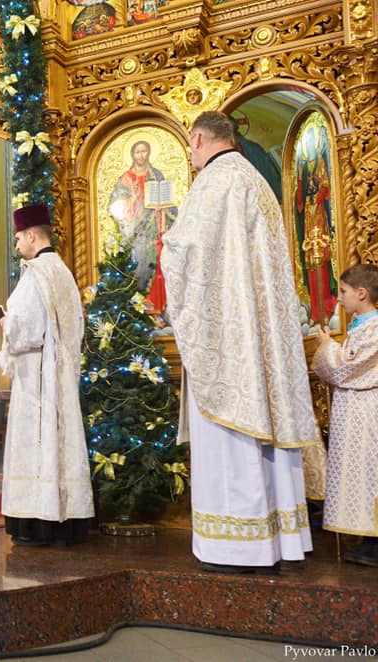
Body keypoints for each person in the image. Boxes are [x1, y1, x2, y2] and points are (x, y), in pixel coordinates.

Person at [161, 111, 319, 574]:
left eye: (190, 147)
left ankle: (237, 546)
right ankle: (280, 537)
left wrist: (166, 243)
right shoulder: (255, 180)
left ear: (198, 139)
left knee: (231, 439)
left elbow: (188, 253)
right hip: (262, 336)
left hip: (230, 341)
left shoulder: (214, 182)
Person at [0, 204, 94, 546]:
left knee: (38, 446)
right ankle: (65, 520)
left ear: (32, 236)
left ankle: (37, 522)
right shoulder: (63, 272)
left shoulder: (36, 273)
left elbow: (27, 330)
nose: (17, 244)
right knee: (61, 445)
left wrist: (5, 323)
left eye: (19, 238)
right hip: (61, 375)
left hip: (37, 380)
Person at [313, 264, 378, 567]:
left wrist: (327, 346)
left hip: (368, 412)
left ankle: (375, 542)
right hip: (354, 411)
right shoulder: (359, 325)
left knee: (370, 472)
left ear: (362, 293)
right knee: (360, 472)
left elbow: (345, 368)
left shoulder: (374, 328)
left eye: (343, 292)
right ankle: (368, 537)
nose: (339, 299)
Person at [107, 140, 176, 313]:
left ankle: (157, 307)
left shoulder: (156, 175)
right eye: (137, 152)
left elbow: (169, 203)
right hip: (135, 231)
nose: (141, 155)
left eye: (144, 151)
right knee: (138, 262)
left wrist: (163, 207)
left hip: (154, 228)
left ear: (149, 153)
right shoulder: (125, 178)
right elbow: (116, 204)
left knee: (157, 262)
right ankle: (138, 306)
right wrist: (134, 198)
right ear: (132, 154)